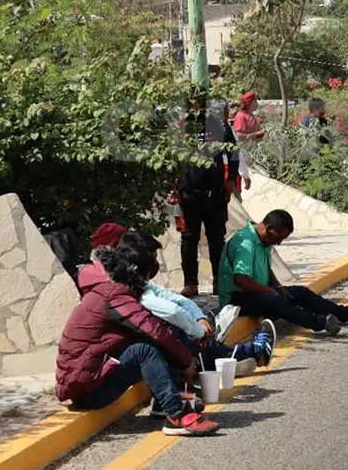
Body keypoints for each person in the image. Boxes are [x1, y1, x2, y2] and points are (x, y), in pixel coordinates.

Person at [55, 236, 219, 436]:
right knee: (145, 349)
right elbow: (152, 330)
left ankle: (166, 402)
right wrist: (185, 361)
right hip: (87, 389)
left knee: (159, 335)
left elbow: (153, 328)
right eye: (146, 276)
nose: (147, 282)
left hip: (89, 379)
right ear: (135, 274)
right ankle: (176, 415)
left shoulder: (108, 287)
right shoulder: (114, 294)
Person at [88, 225, 274, 373]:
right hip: (128, 350)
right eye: (151, 258)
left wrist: (198, 318)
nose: (154, 263)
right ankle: (245, 352)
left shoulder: (128, 278)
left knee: (195, 321)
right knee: (179, 332)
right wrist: (197, 331)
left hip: (146, 339)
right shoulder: (115, 285)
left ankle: (220, 357)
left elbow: (171, 298)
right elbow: (168, 311)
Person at [220, 209, 348, 335]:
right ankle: (320, 322)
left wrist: (277, 286)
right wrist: (270, 292)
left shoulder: (263, 241)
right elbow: (241, 279)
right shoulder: (245, 241)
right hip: (237, 299)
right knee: (274, 301)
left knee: (300, 293)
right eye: (279, 238)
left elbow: (265, 269)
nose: (279, 243)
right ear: (269, 228)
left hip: (259, 293)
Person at [172, 97, 234, 298]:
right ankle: (191, 284)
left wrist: (231, 179)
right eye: (190, 103)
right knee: (189, 239)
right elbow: (169, 156)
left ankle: (219, 282)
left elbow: (233, 152)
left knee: (217, 241)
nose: (195, 107)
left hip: (216, 195)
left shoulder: (220, 125)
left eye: (198, 103)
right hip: (188, 195)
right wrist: (171, 186)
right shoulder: (181, 126)